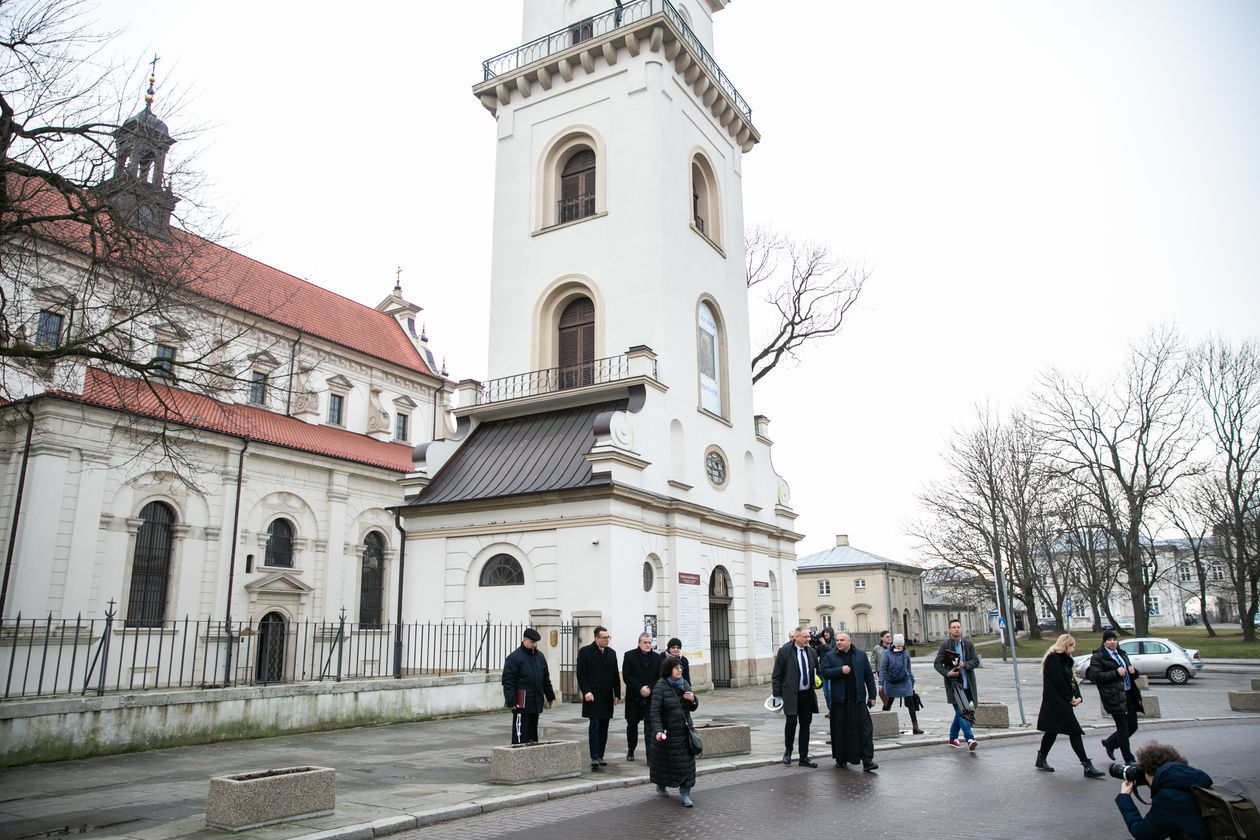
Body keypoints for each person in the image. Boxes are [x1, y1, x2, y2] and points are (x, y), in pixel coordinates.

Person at [1034, 634, 1104, 777]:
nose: (1073, 650)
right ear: (1065, 646)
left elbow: (1072, 680)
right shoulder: (1053, 658)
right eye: (1072, 647)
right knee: (1074, 731)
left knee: (1051, 731)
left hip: (1062, 701)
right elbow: (1058, 680)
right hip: (1055, 702)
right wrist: (1069, 698)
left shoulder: (1067, 661)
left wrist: (1078, 697)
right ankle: (1086, 765)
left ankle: (1041, 759)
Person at [1116, 742, 1213, 840]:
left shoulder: (1168, 798)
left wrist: (1124, 797)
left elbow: (1142, 834)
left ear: (1149, 772)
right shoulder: (1192, 782)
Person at [819, 631, 878, 771]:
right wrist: (840, 670)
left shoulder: (861, 655)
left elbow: (868, 676)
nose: (838, 642)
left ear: (849, 642)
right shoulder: (830, 656)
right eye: (837, 640)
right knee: (841, 732)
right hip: (840, 702)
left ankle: (867, 760)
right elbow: (825, 672)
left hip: (858, 700)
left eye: (842, 640)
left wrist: (873, 696)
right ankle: (841, 759)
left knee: (865, 731)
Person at [648, 655, 699, 807]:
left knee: (687, 765)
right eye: (676, 668)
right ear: (668, 670)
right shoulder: (660, 686)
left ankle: (685, 793)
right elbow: (655, 711)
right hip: (667, 734)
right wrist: (657, 730)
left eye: (680, 668)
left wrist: (693, 700)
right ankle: (661, 785)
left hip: (684, 732)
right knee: (664, 764)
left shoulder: (684, 684)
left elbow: (693, 707)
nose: (679, 670)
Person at [1088, 629, 1143, 764]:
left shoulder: (1122, 654)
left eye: (1114, 639)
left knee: (1133, 726)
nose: (1112, 642)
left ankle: (1110, 742)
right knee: (1123, 727)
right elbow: (1096, 676)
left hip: (1128, 694)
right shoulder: (1098, 656)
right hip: (1113, 696)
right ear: (1104, 642)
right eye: (1109, 640)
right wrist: (1116, 673)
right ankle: (1128, 759)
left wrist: (1134, 671)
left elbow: (1130, 673)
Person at [771, 626, 820, 767]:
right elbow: (777, 674)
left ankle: (804, 756)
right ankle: (788, 751)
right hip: (791, 695)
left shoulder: (811, 652)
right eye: (805, 637)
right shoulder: (785, 651)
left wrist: (818, 682)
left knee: (805, 725)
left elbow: (818, 671)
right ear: (797, 637)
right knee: (791, 723)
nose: (808, 639)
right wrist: (777, 694)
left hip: (807, 694)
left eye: (809, 637)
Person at [501, 628, 555, 745]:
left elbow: (545, 678)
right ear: (524, 640)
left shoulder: (540, 657)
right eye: (531, 642)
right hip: (521, 703)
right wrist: (511, 701)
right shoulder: (514, 658)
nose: (534, 645)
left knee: (532, 736)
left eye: (535, 643)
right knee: (520, 736)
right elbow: (508, 681)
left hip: (535, 702)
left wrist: (550, 696)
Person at [576, 625, 620, 768]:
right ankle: (594, 756)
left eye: (608, 637)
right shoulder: (585, 652)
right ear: (596, 639)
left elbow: (615, 675)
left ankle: (601, 754)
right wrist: (586, 691)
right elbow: (581, 674)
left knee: (604, 726)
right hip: (593, 696)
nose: (607, 640)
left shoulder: (611, 653)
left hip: (606, 696)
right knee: (594, 724)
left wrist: (617, 694)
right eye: (604, 638)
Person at [933, 618, 980, 750]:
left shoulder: (968, 645)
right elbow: (937, 664)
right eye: (953, 627)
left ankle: (953, 738)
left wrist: (965, 665)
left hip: (968, 685)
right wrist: (948, 673)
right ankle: (969, 738)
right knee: (963, 712)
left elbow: (976, 661)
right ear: (949, 630)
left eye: (958, 627)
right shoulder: (946, 645)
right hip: (954, 686)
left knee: (960, 713)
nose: (956, 629)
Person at [622, 632, 662, 762]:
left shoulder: (657, 658)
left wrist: (649, 688)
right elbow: (627, 676)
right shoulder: (629, 656)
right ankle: (631, 750)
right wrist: (640, 688)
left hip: (650, 696)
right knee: (632, 725)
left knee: (650, 726)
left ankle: (650, 756)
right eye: (645, 642)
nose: (647, 645)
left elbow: (659, 676)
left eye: (649, 642)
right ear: (639, 643)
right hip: (634, 696)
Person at [878, 633, 923, 735]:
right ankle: (882, 724)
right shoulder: (887, 654)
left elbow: (908, 667)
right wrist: (880, 683)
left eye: (901, 646)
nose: (899, 648)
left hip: (904, 680)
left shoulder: (905, 653)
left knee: (910, 702)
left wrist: (912, 681)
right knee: (888, 702)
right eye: (898, 646)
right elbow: (883, 669)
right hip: (892, 681)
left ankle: (915, 726)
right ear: (893, 644)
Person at [811, 626, 836, 714]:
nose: (825, 634)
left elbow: (833, 652)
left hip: (832, 669)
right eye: (824, 632)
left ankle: (834, 709)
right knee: (825, 692)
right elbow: (816, 653)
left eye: (827, 632)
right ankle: (830, 709)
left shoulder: (835, 642)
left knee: (830, 690)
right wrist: (814, 645)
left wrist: (824, 643)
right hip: (823, 669)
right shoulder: (821, 643)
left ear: (831, 633)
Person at [869, 630, 891, 709]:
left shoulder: (892, 648)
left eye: (890, 636)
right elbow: (872, 661)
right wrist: (873, 672)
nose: (889, 638)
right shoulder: (877, 648)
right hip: (882, 674)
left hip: (892, 674)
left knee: (889, 695)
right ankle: (887, 709)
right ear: (882, 638)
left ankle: (886, 709)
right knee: (884, 693)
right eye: (887, 637)